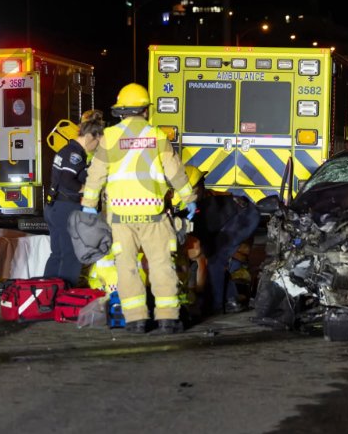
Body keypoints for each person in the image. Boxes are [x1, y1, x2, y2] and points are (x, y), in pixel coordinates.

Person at [81, 83, 196, 334]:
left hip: (121, 218)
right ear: (145, 110)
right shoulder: (157, 136)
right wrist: (189, 199)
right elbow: (175, 172)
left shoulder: (109, 137)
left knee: (126, 267)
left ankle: (135, 320)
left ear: (121, 111)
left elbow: (96, 175)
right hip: (153, 216)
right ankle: (167, 319)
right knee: (161, 265)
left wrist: (89, 206)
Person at [184, 166, 260, 315]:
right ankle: (230, 299)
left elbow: (202, 263)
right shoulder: (202, 203)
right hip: (242, 218)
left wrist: (199, 295)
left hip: (245, 218)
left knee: (215, 260)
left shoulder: (199, 211)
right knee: (216, 257)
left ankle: (218, 305)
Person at [43, 110, 105, 286]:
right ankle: (65, 294)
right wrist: (87, 189)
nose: (97, 145)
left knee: (58, 253)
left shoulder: (68, 150)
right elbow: (67, 180)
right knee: (71, 254)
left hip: (54, 206)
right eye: (98, 141)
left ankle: (47, 293)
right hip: (66, 208)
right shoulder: (75, 154)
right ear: (91, 136)